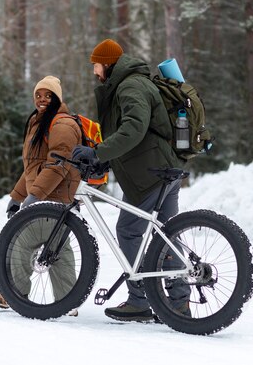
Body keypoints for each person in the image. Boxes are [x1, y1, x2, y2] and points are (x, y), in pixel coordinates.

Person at [71, 39, 190, 322]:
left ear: (109, 64)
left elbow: (134, 128)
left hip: (151, 172)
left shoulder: (131, 86)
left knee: (128, 230)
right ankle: (179, 303)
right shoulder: (133, 82)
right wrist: (105, 158)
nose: (95, 71)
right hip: (163, 167)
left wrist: (98, 152)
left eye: (97, 65)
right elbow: (139, 132)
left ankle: (141, 299)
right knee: (167, 234)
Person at [0, 75, 81, 317]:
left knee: (21, 242)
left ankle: (14, 294)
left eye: (48, 96)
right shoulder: (38, 122)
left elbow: (57, 165)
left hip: (53, 199)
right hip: (49, 199)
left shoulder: (62, 125)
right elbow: (33, 167)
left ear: (57, 98)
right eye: (38, 95)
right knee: (58, 250)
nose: (42, 99)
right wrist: (17, 196)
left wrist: (35, 195)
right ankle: (68, 300)